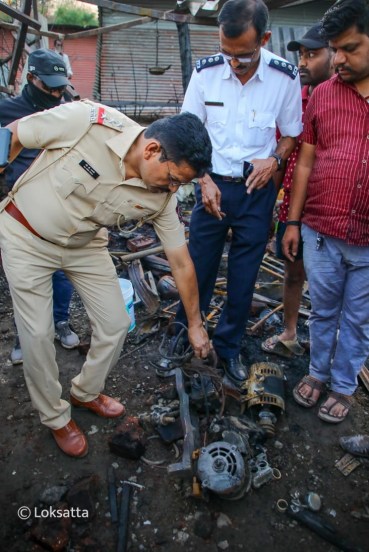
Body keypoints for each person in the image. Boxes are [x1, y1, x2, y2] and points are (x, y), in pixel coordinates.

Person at [0, 103, 212, 457]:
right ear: (152, 150)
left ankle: (84, 392)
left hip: (84, 245)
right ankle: (55, 417)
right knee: (37, 334)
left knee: (116, 323)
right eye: (173, 178)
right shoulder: (88, 122)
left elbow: (181, 261)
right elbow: (14, 135)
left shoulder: (161, 197)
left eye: (181, 183)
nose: (174, 189)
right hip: (26, 234)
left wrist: (195, 324)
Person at [157, 0, 302, 384]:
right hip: (212, 187)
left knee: (243, 277)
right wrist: (203, 179)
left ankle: (229, 346)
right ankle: (183, 334)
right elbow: (189, 131)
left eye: (243, 55)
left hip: (256, 194)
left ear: (265, 39)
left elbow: (291, 134)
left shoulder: (284, 77)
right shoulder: (205, 74)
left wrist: (273, 158)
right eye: (226, 54)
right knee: (198, 267)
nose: (234, 64)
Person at [283, 0, 369, 423]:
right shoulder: (323, 95)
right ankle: (317, 373)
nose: (338, 60)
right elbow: (305, 160)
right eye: (334, 49)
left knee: (358, 320)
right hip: (321, 230)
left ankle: (344, 385)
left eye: (349, 48)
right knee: (323, 310)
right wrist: (293, 220)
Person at [0, 49, 80, 365]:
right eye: (50, 87)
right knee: (27, 277)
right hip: (21, 211)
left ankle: (60, 321)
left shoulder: (67, 112)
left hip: (62, 207)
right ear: (31, 78)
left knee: (60, 271)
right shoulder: (6, 112)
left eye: (61, 87)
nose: (57, 93)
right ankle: (25, 335)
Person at [261, 23, 334, 358]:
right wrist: (269, 213)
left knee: (330, 284)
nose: (303, 63)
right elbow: (281, 156)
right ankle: (290, 330)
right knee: (293, 273)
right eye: (302, 55)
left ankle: (331, 345)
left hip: (329, 207)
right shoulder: (296, 101)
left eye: (312, 54)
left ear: (335, 54)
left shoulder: (348, 103)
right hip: (293, 206)